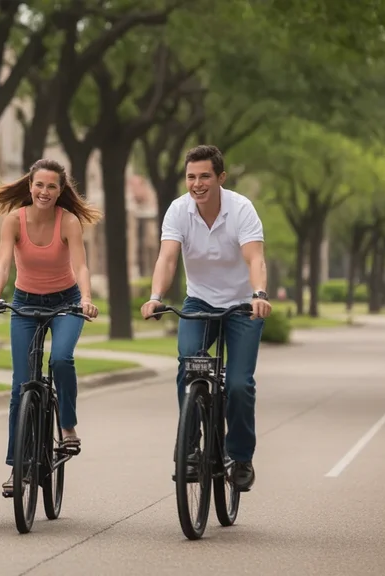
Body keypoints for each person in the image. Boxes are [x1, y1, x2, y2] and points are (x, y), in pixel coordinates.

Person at [139, 144, 271, 492]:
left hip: (243, 305)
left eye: (205, 177)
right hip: (199, 301)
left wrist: (259, 294)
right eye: (191, 177)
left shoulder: (241, 209)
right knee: (188, 366)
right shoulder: (179, 211)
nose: (197, 184)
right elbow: (167, 258)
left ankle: (240, 456)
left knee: (240, 384)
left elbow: (254, 258)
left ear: (220, 178)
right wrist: (155, 297)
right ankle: (192, 448)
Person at [0, 158, 101, 496]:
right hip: (25, 303)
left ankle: (68, 426)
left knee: (61, 359)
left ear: (61, 191)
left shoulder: (69, 222)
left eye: (51, 186)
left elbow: (81, 265)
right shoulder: (13, 221)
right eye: (39, 185)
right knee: (22, 385)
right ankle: (17, 467)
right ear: (30, 186)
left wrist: (86, 298)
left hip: (67, 302)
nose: (44, 191)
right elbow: (3, 263)